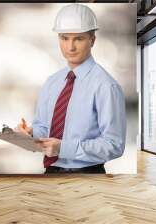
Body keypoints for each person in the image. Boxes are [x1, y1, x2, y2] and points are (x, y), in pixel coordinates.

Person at [17, 4, 126, 174]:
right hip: (51, 171)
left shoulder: (106, 86)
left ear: (92, 40)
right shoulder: (52, 82)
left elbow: (114, 145)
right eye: (64, 38)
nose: (70, 47)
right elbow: (45, 128)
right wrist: (31, 133)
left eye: (79, 39)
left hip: (87, 175)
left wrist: (63, 148)